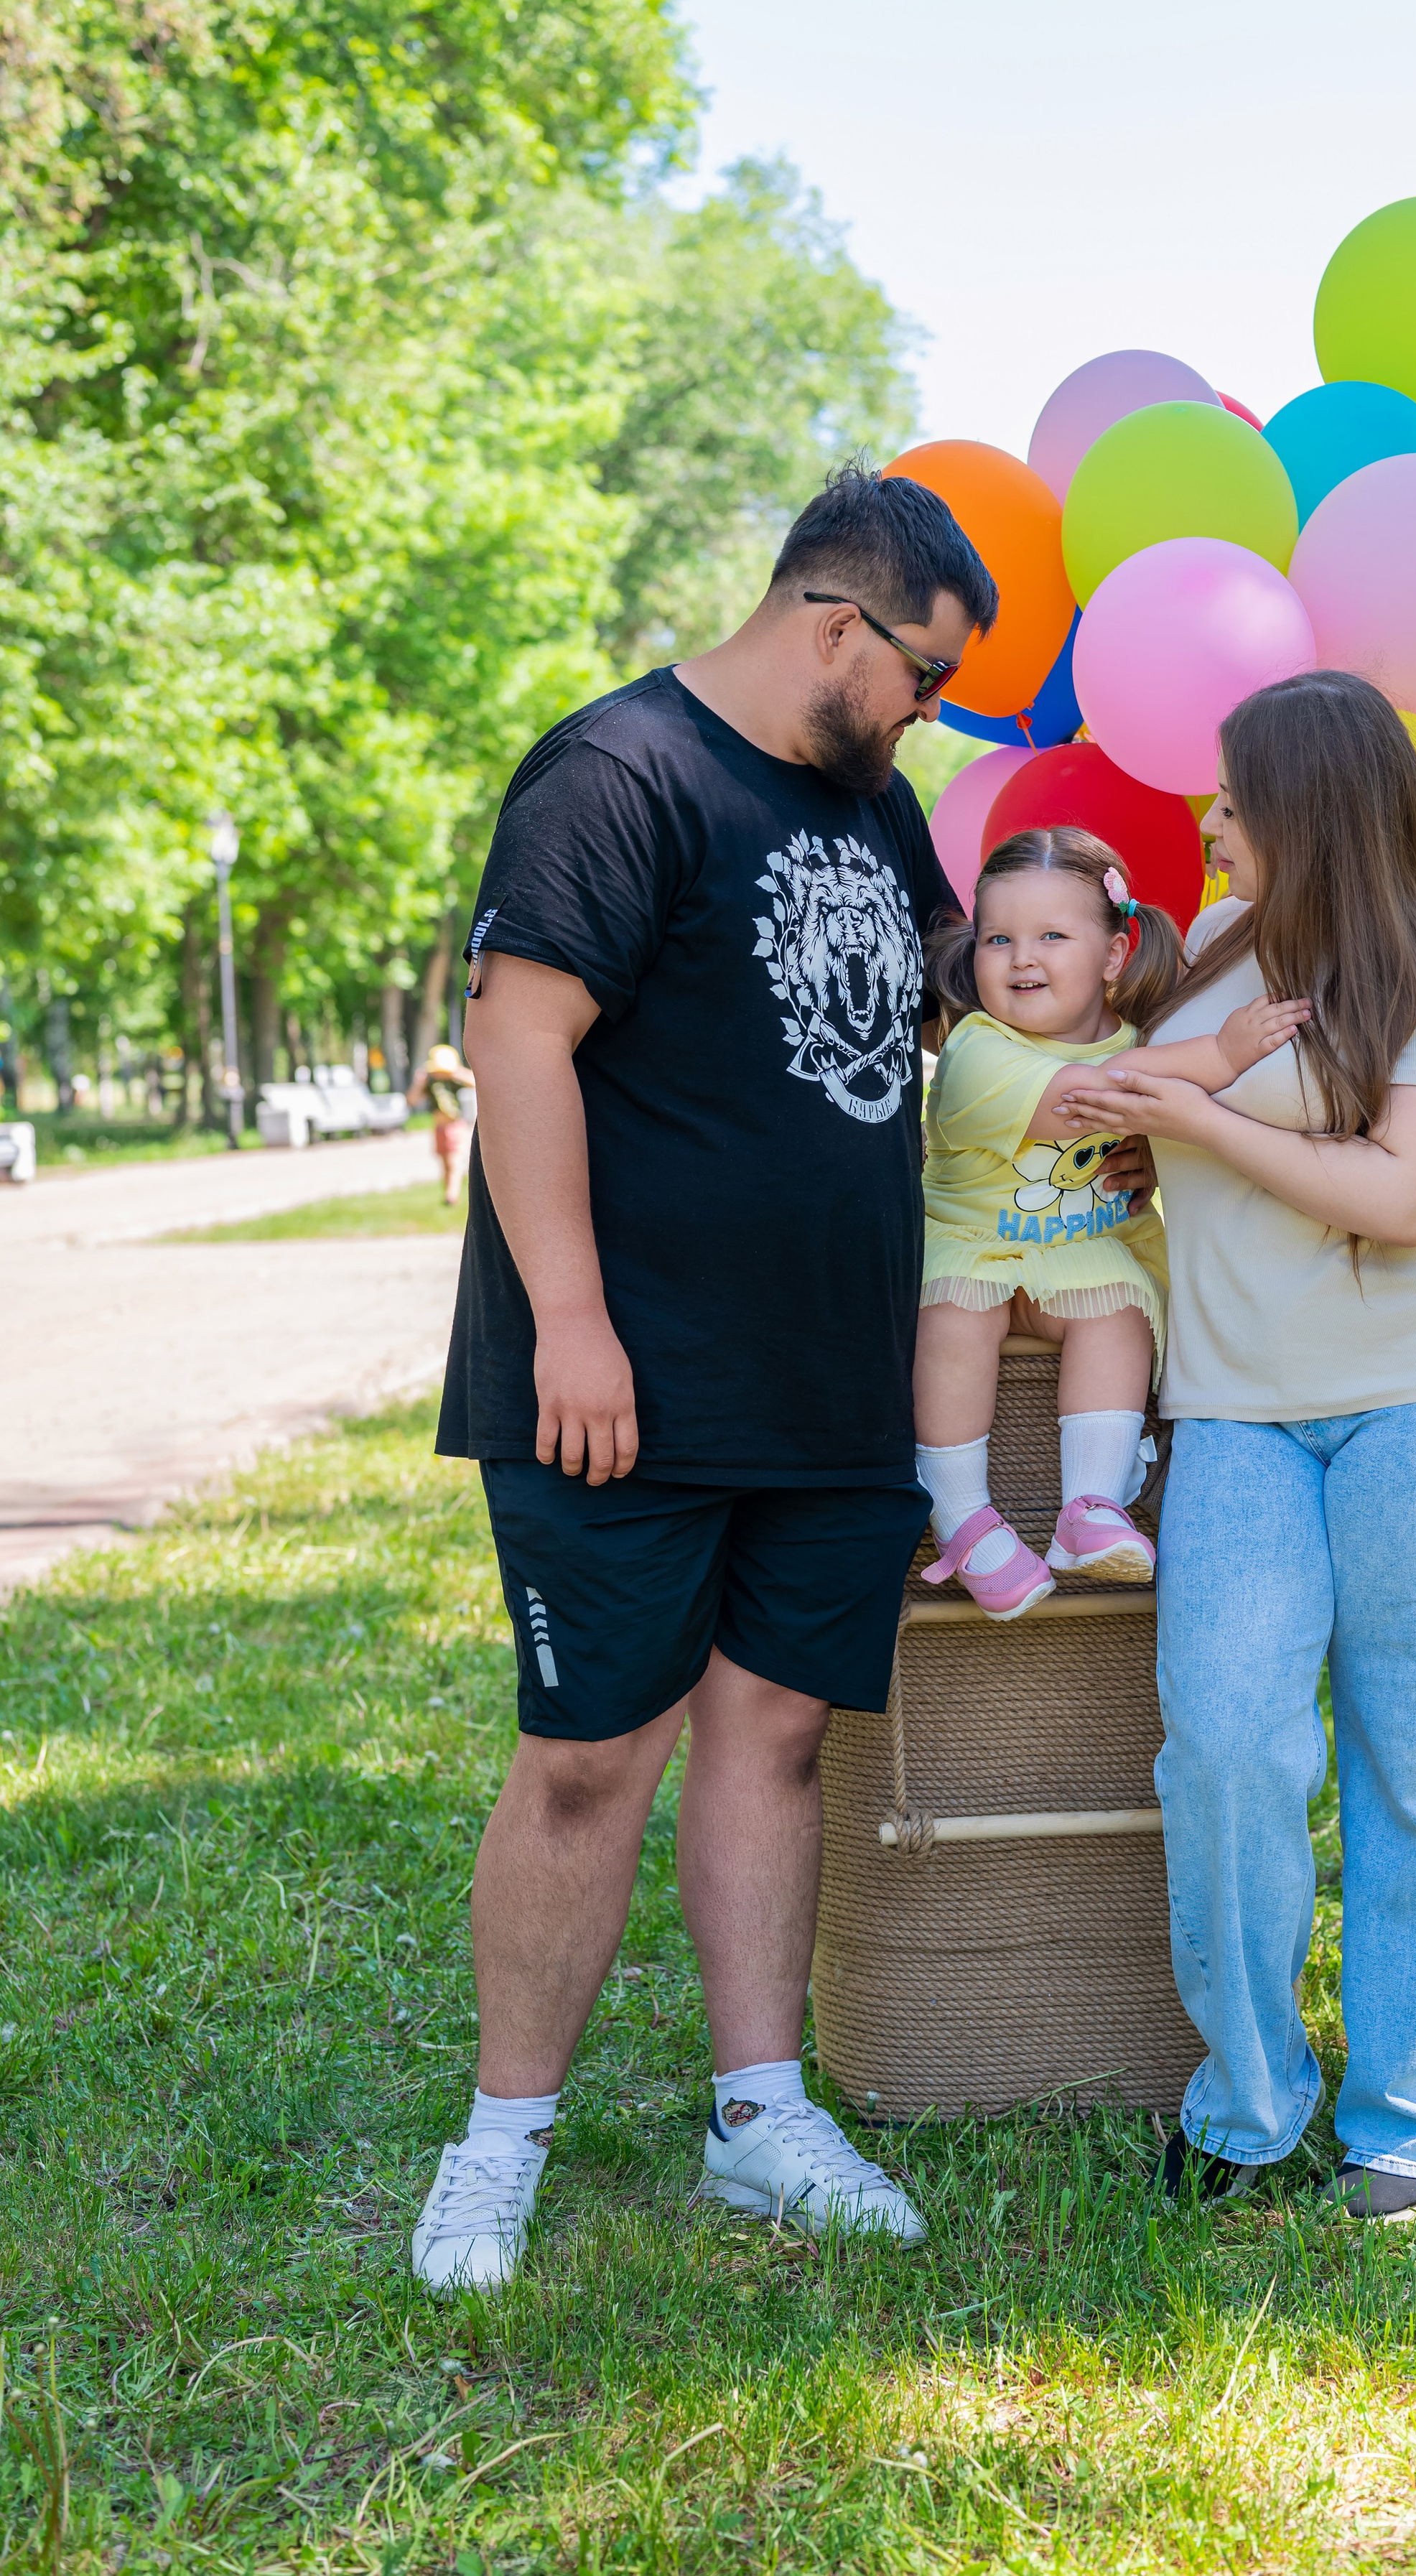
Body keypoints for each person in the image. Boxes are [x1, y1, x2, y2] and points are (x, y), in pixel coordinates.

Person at [414, 465, 1006, 2290]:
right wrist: (572, 1320)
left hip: (828, 1375)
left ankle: (759, 2116)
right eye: (925, 675)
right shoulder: (617, 771)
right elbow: (516, 1041)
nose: (928, 713)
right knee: (592, 1751)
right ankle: (501, 2134)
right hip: (625, 1375)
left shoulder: (873, 803)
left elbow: (934, 1017)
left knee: (774, 1734)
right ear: (837, 625)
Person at [1061, 669, 1416, 2223]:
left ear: (1309, 811)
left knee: (1413, 1755)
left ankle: (1410, 2114)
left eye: (1233, 794)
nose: (1205, 816)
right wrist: (1142, 1140)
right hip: (1236, 1413)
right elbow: (1180, 1128)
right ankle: (1249, 2105)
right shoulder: (1203, 961)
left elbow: (1403, 1197)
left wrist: (1202, 1130)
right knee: (1224, 1744)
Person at [914, 825, 1307, 1617]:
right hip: (971, 1249)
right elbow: (1089, 1096)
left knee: (1119, 1312)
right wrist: (1220, 1056)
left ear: (1114, 956)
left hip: (1078, 1257)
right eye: (999, 939)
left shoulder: (1136, 1044)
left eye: (1052, 936)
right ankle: (958, 1513)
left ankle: (1089, 1508)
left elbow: (1138, 1089)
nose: (1023, 957)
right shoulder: (977, 1051)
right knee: (954, 1313)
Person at [411, 1041, 475, 1205]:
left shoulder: (454, 1080)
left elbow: (474, 1083)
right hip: (439, 1126)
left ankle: (451, 1196)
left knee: (454, 1161)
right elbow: (412, 1100)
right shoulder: (431, 1083)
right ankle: (448, 1191)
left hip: (454, 1125)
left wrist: (456, 1072)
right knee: (444, 1162)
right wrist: (420, 1082)